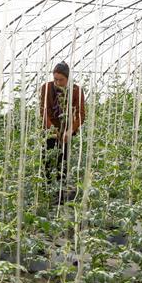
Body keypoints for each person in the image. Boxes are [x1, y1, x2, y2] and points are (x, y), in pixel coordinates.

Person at [40, 61, 86, 202]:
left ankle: (60, 194)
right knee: (47, 159)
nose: (57, 82)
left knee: (62, 161)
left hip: (67, 131)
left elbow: (80, 114)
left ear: (68, 78)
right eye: (55, 79)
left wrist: (70, 130)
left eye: (61, 80)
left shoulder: (76, 90)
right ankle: (47, 190)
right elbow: (44, 111)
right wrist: (53, 130)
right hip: (49, 130)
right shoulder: (46, 88)